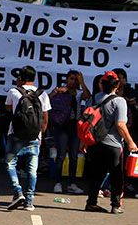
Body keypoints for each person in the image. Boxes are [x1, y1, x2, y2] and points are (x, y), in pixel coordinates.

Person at [84, 72, 135, 215]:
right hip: (113, 145)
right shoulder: (120, 101)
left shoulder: (94, 98)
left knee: (96, 175)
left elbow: (86, 121)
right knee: (117, 176)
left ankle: (91, 202)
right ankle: (115, 205)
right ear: (117, 85)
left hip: (95, 143)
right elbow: (121, 124)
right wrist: (131, 142)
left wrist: (84, 142)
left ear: (102, 84)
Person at [4, 66, 48, 211]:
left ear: (20, 78)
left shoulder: (13, 92)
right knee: (32, 170)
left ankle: (17, 192)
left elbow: (8, 109)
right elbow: (45, 119)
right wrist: (40, 134)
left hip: (15, 134)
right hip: (35, 136)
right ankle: (29, 201)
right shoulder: (42, 94)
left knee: (10, 164)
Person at [47, 70, 86, 194]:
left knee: (74, 156)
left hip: (75, 126)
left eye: (76, 79)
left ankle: (72, 183)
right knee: (61, 155)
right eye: (71, 79)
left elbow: (87, 96)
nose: (73, 81)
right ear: (67, 79)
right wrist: (55, 92)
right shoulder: (60, 91)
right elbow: (47, 101)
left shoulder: (79, 93)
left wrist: (82, 82)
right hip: (62, 125)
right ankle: (57, 182)